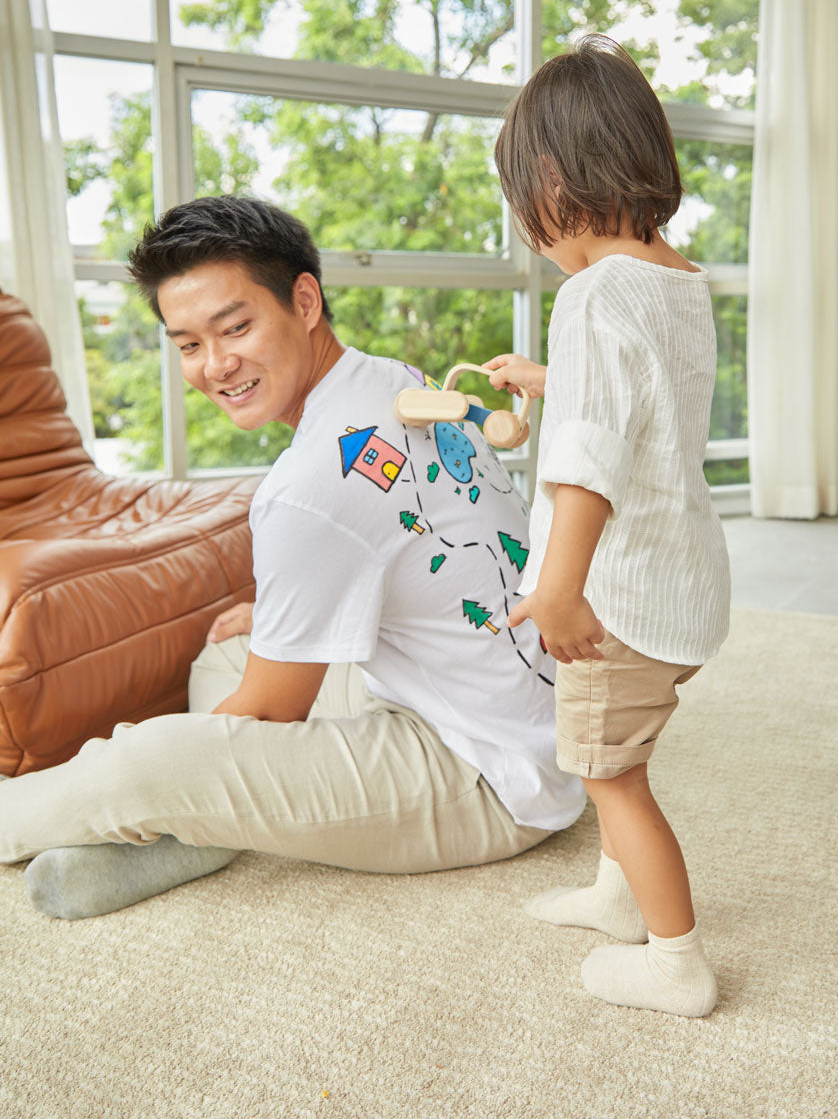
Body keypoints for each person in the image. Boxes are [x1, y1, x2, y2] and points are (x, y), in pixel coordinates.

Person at [0, 196, 584, 919]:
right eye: (187, 345)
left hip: (490, 775)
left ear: (304, 300)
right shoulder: (390, 376)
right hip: (506, 705)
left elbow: (274, 712)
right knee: (223, 658)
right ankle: (210, 826)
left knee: (157, 758)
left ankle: (137, 813)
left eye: (235, 327)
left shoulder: (304, 491)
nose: (216, 365)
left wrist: (191, 765)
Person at [482, 35, 731, 1017]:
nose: (531, 235)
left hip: (616, 599)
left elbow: (586, 462)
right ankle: (617, 897)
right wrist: (552, 382)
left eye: (523, 209)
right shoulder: (677, 281)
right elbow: (643, 402)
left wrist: (556, 587)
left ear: (554, 180)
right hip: (686, 586)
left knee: (610, 773)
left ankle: (676, 961)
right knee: (618, 754)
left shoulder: (590, 295)